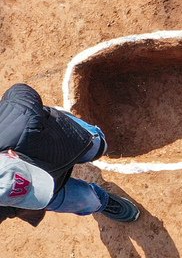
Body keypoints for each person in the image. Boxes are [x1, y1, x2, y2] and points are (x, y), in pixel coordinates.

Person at [0, 83, 139, 223]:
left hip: (63, 142)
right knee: (86, 200)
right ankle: (102, 201)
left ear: (11, 154)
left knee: (98, 146)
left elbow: (20, 91)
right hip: (46, 193)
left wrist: (41, 115)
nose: (34, 184)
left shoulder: (19, 119)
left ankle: (61, 117)